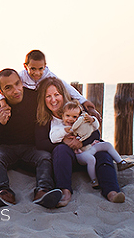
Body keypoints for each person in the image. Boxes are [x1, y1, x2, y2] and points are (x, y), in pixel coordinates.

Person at [36, 77, 127, 206]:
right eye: (48, 96)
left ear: (63, 94)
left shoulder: (76, 110)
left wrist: (81, 143)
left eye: (57, 94)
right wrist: (64, 142)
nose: (53, 99)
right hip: (66, 160)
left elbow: (95, 133)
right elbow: (40, 143)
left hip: (86, 154)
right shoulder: (44, 119)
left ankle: (112, 192)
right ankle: (65, 191)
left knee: (103, 154)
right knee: (61, 150)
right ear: (43, 99)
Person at [0, 68, 63, 209]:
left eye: (17, 84)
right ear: (1, 91)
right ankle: (4, 193)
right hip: (5, 149)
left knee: (45, 157)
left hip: (31, 149)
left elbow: (59, 103)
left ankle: (43, 191)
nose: (16, 90)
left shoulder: (35, 98)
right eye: (8, 88)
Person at [49, 100, 134, 189]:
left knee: (107, 145)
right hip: (80, 153)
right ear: (62, 115)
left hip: (90, 148)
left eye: (74, 117)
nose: (70, 119)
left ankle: (120, 162)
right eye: (67, 116)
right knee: (91, 159)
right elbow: (53, 138)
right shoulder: (60, 127)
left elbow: (96, 128)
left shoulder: (81, 123)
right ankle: (94, 180)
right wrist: (64, 131)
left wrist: (93, 120)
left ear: (79, 117)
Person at [0, 50, 102, 122]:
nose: (37, 73)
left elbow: (66, 86)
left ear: (45, 66)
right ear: (26, 66)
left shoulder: (48, 75)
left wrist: (83, 101)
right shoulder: (21, 76)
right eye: (33, 69)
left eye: (40, 69)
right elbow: (3, 89)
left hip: (43, 104)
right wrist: (3, 103)